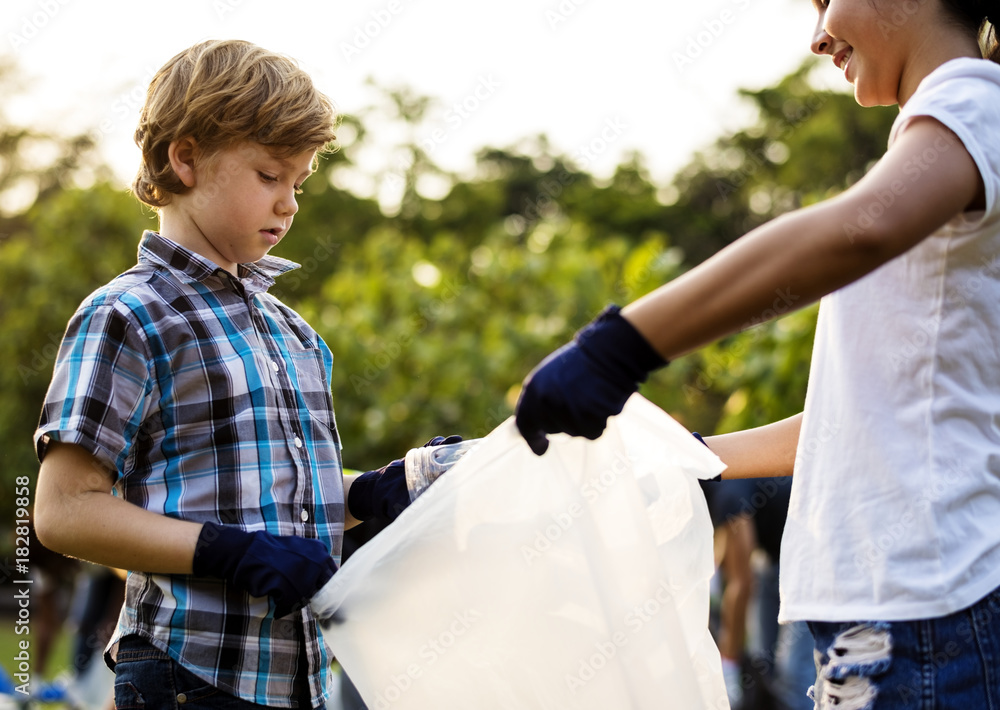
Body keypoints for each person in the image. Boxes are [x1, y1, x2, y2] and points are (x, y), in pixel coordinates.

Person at [515, 1, 1000, 706]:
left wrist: (619, 347)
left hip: (927, 618)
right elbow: (847, 425)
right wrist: (690, 455)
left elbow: (858, 230)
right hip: (889, 623)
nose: (817, 36)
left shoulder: (975, 103)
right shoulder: (954, 144)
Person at [34, 39, 455, 709]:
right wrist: (228, 552)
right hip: (187, 673)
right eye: (269, 175)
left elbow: (262, 491)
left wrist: (367, 494)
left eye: (299, 182)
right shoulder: (129, 314)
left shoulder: (293, 333)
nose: (289, 204)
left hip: (298, 680)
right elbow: (61, 512)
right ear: (187, 157)